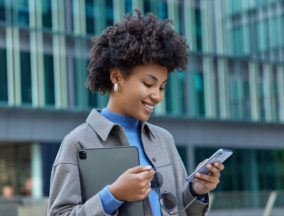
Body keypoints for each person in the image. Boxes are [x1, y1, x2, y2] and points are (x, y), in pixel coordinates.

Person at [47, 9, 224, 216]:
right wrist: (113, 195)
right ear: (116, 77)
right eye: (148, 84)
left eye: (162, 87)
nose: (157, 96)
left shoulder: (164, 139)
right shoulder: (77, 142)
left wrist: (196, 191)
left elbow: (180, 209)